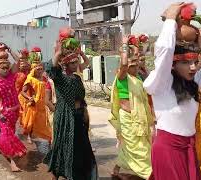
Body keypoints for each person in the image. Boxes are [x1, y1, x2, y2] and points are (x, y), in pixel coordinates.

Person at [143, 3, 201, 180]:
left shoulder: (193, 82)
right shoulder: (162, 82)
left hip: (190, 148)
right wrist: (170, 20)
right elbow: (165, 51)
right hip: (168, 150)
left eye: (194, 62)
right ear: (173, 64)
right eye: (185, 63)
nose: (193, 67)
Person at [43, 41, 97, 180]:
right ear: (65, 64)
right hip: (65, 116)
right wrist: (59, 53)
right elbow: (51, 68)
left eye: (76, 62)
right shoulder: (60, 78)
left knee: (80, 146)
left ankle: (76, 174)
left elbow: (81, 98)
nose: (76, 65)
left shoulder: (77, 79)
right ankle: (56, 174)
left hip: (78, 116)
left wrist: (84, 112)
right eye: (73, 63)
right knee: (63, 145)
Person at [109, 35, 153, 179]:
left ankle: (117, 168)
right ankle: (149, 173)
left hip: (139, 118)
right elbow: (123, 64)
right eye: (130, 66)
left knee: (130, 146)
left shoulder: (138, 78)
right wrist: (123, 45)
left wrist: (135, 47)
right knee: (139, 149)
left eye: (135, 65)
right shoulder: (122, 77)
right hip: (128, 119)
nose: (133, 68)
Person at [0, 44, 26, 172]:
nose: (5, 69)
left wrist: (10, 50)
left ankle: (7, 151)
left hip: (14, 111)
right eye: (2, 67)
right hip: (1, 113)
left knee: (11, 134)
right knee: (6, 134)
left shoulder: (12, 76)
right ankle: (12, 162)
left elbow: (18, 61)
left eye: (7, 67)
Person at [21, 63, 52, 143]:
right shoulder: (30, 79)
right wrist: (29, 98)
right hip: (34, 103)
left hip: (44, 103)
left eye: (41, 69)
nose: (40, 71)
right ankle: (29, 136)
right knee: (32, 121)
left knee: (45, 121)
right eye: (38, 69)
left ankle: (49, 137)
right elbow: (22, 92)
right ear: (34, 70)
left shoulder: (44, 78)